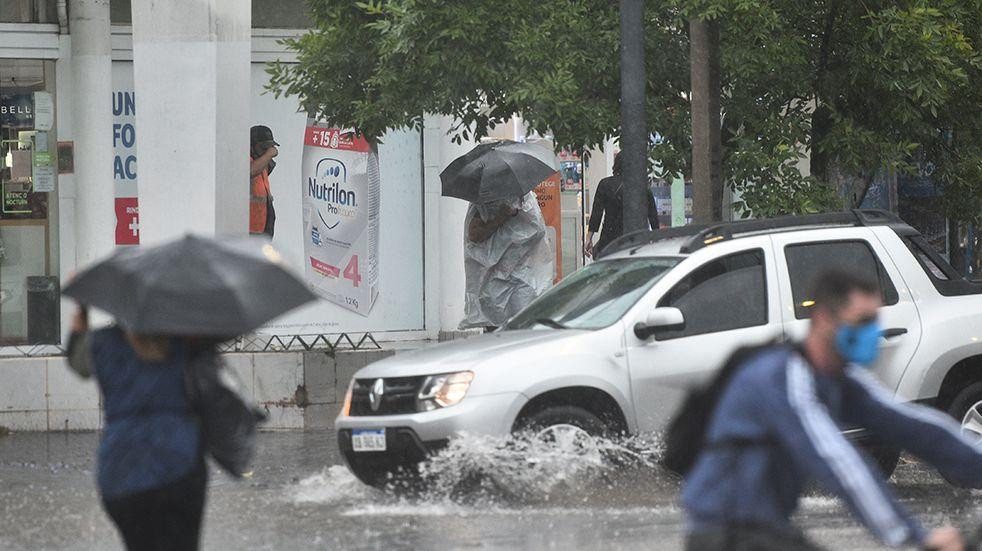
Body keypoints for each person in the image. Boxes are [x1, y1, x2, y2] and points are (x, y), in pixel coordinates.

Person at [681, 270, 982, 551]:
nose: (872, 332)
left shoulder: (838, 378)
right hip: (725, 536)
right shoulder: (781, 376)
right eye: (861, 321)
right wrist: (913, 538)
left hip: (767, 530)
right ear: (824, 319)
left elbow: (915, 427)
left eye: (874, 321)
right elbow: (837, 460)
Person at [66, 306, 208, 551]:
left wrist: (80, 320)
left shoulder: (102, 342)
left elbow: (79, 364)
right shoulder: (184, 342)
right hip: (179, 464)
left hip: (122, 472)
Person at [461, 191, 554, 331]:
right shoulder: (483, 200)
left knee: (522, 325)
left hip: (522, 275)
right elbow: (474, 235)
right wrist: (500, 217)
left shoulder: (526, 199)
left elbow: (538, 230)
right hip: (493, 276)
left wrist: (520, 215)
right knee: (495, 326)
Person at [584, 152, 659, 258]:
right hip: (636, 239)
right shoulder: (641, 187)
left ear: (616, 165)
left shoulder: (605, 184)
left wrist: (589, 238)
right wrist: (657, 239)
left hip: (610, 239)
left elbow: (597, 213)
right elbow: (652, 216)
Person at [250, 125, 279, 237]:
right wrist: (269, 154)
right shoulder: (245, 159)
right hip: (249, 228)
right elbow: (251, 171)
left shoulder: (262, 162)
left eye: (269, 147)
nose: (267, 151)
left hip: (262, 228)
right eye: (263, 147)